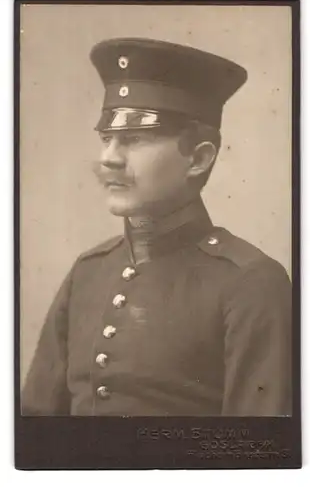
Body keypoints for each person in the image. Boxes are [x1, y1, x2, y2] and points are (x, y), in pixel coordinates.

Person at [22, 38, 292, 416]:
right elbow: (33, 434)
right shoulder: (88, 272)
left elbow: (258, 453)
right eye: (106, 139)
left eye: (133, 139)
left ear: (197, 159)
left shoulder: (250, 283)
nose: (108, 159)